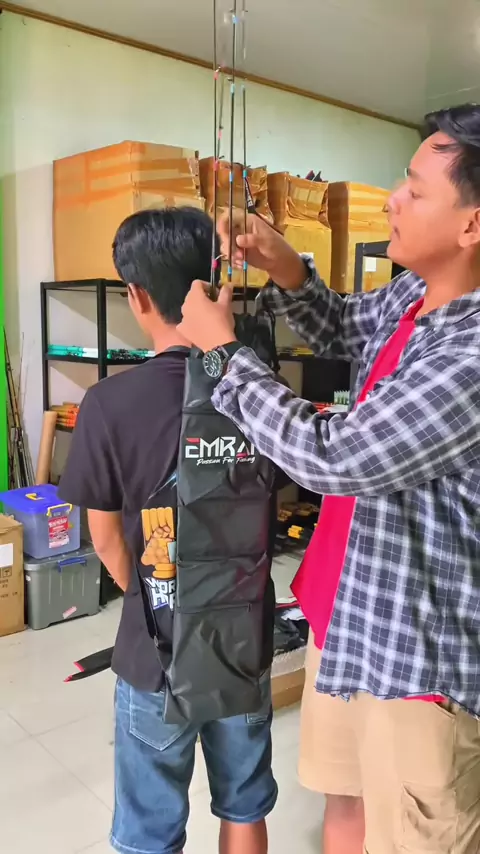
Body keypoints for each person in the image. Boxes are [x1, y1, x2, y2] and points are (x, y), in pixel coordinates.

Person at [178, 103, 480, 854]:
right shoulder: (415, 294)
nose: (395, 199)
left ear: (472, 224)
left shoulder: (470, 356)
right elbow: (345, 325)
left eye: (415, 189)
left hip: (417, 659)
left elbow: (332, 457)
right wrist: (285, 264)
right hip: (347, 608)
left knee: (411, 831)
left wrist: (224, 357)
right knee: (343, 802)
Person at [58, 207, 279, 854]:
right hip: (242, 639)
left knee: (148, 832)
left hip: (155, 650)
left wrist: (154, 593)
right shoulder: (260, 391)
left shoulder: (108, 403)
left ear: (137, 296)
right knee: (245, 804)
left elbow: (105, 540)